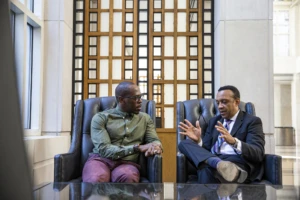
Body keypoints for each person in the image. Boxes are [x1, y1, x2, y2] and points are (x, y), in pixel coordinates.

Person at [178, 85, 265, 183]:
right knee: (184, 143)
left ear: (237, 102)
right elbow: (206, 150)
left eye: (224, 102)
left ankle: (224, 171)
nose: (219, 106)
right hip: (214, 158)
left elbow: (258, 153)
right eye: (218, 102)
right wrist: (198, 141)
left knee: (205, 169)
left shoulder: (251, 121)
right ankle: (217, 164)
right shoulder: (214, 121)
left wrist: (234, 142)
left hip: (235, 162)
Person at [82, 81, 163, 183]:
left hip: (127, 163)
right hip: (100, 160)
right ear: (121, 99)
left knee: (128, 177)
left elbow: (154, 140)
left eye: (140, 97)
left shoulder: (145, 119)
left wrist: (156, 146)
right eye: (135, 98)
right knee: (96, 178)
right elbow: (104, 149)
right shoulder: (101, 118)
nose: (140, 101)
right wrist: (137, 148)